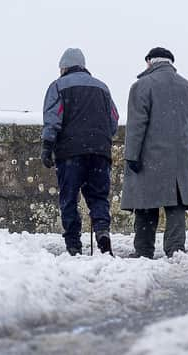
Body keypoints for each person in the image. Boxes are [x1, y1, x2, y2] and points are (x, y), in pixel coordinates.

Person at [121, 47, 188, 258]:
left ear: (150, 62)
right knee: (175, 205)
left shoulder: (141, 86)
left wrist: (132, 155)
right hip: (180, 157)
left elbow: (136, 125)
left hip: (149, 156)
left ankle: (143, 251)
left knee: (145, 205)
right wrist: (182, 134)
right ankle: (175, 249)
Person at [41, 48, 119, 256]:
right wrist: (100, 139)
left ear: (64, 67)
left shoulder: (57, 86)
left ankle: (73, 244)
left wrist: (47, 146)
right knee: (98, 197)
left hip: (70, 153)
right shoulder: (102, 88)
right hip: (100, 152)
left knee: (69, 198)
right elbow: (113, 120)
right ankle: (102, 231)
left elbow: (53, 118)